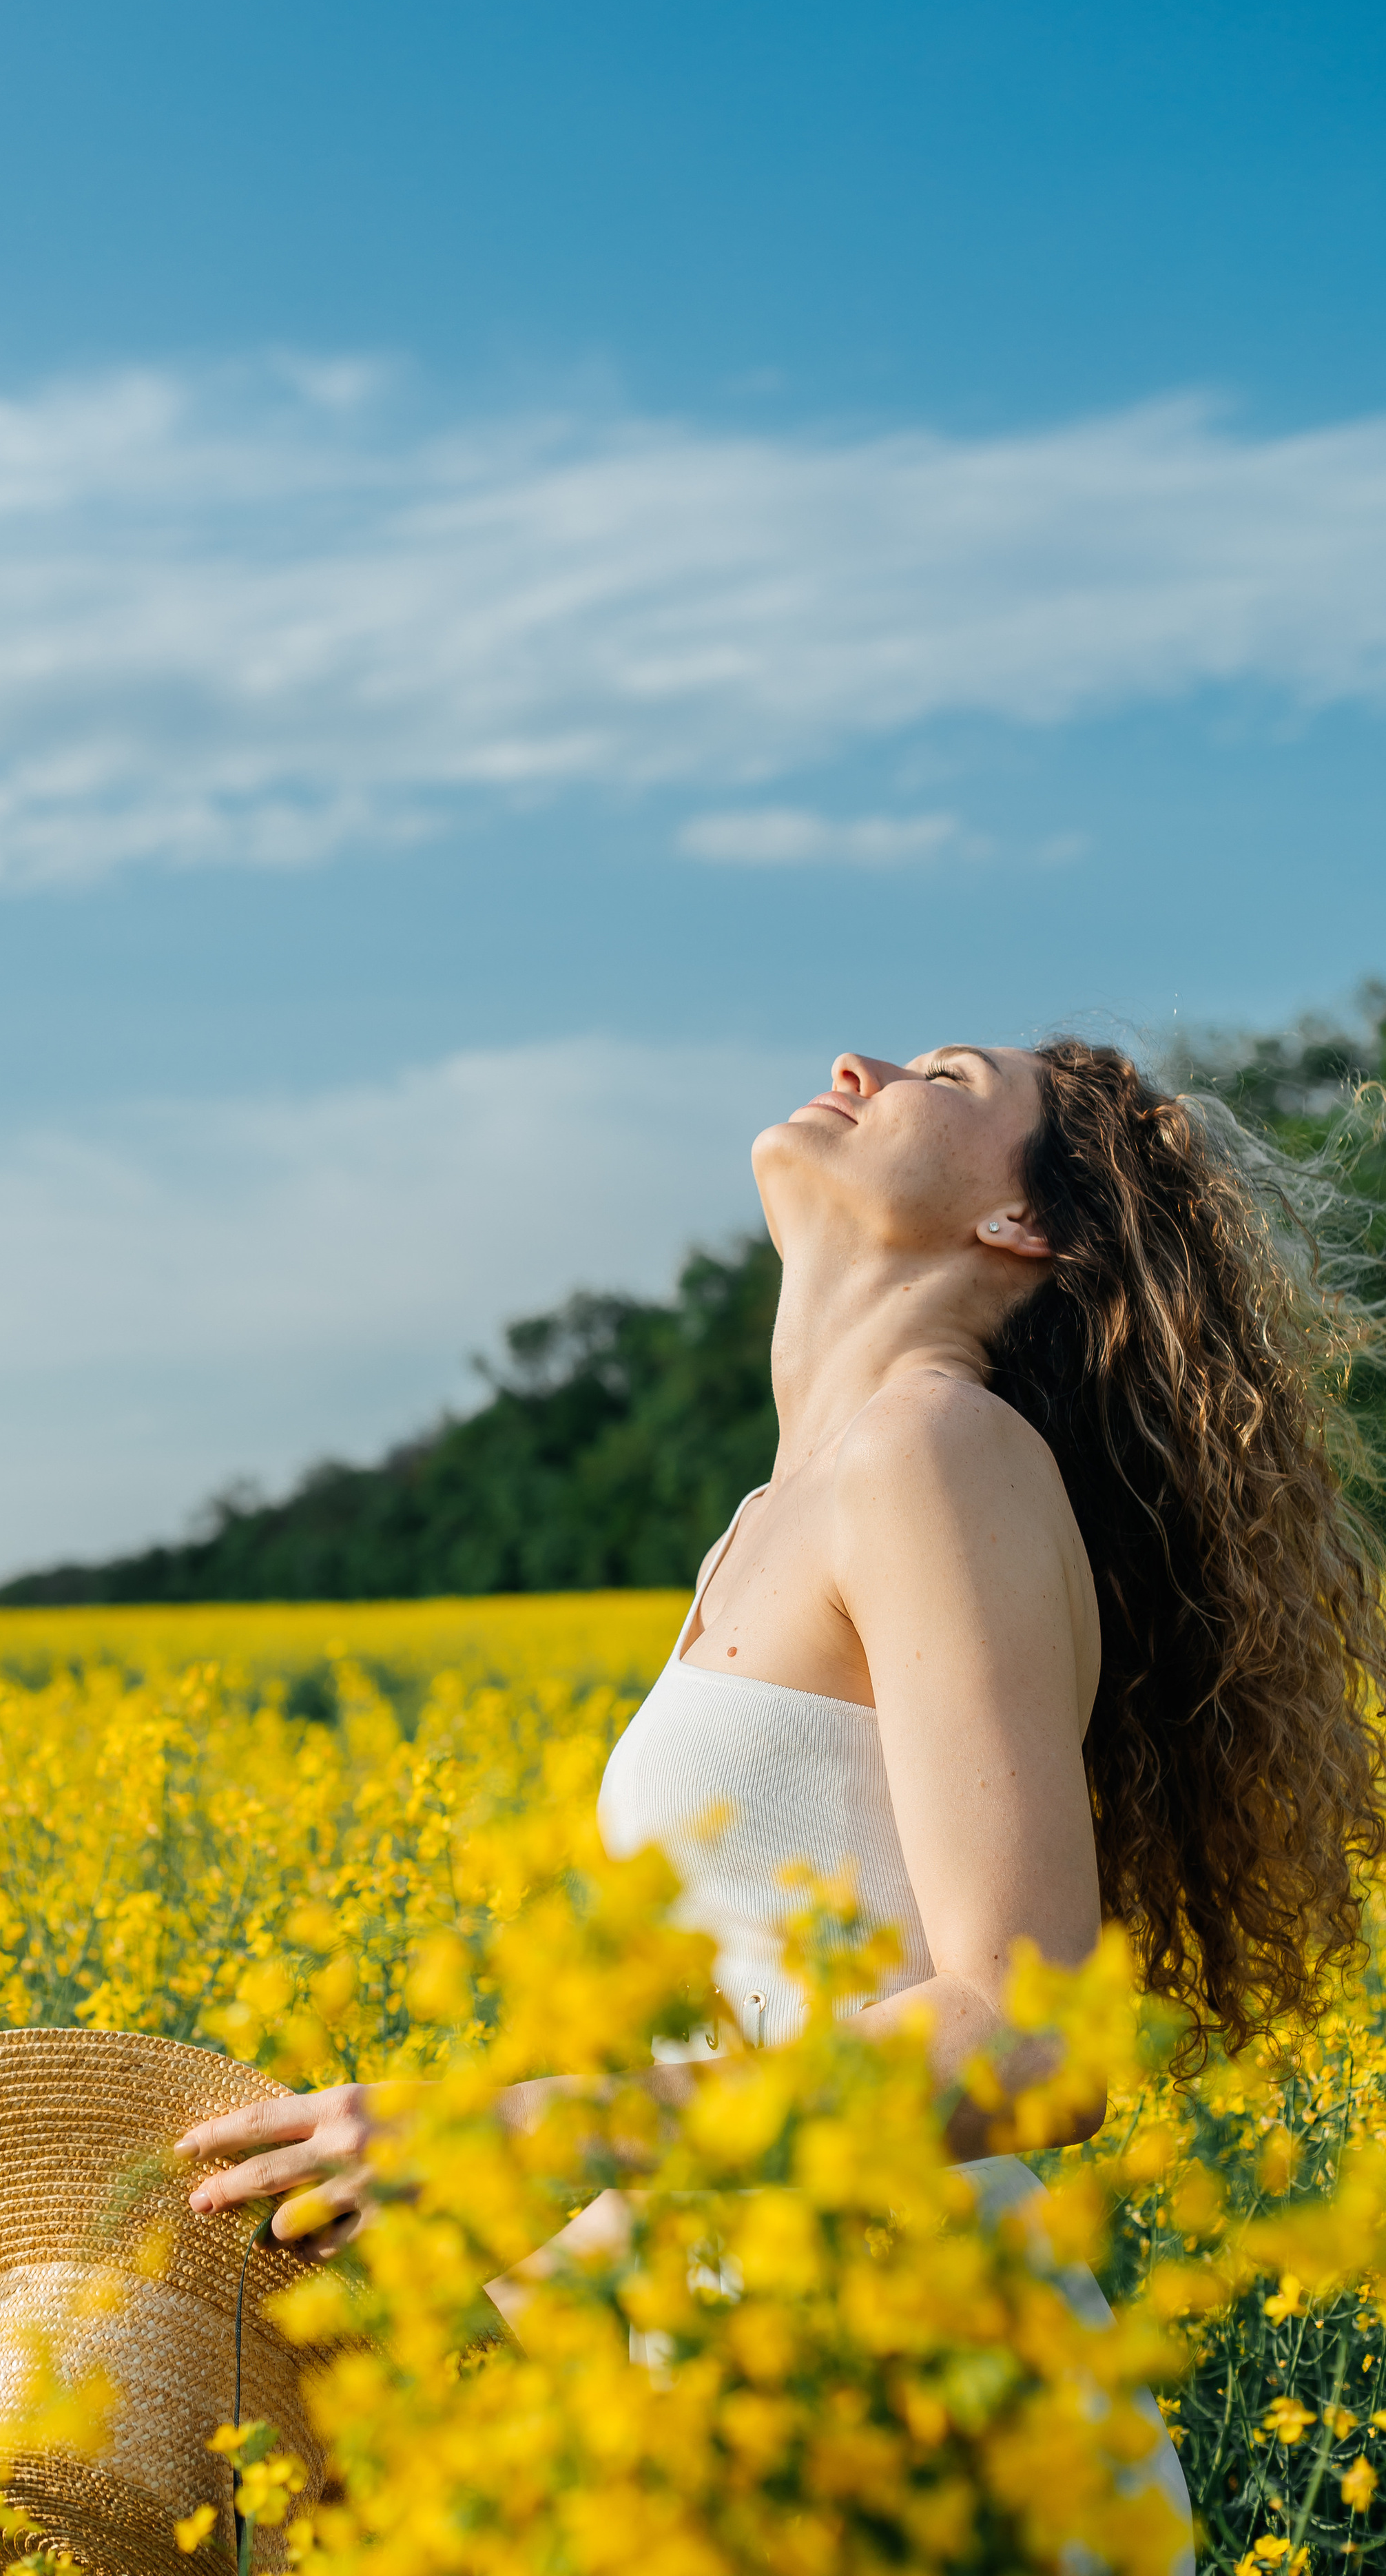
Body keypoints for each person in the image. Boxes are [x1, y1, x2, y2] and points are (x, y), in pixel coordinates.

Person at [176, 1038, 1386, 2529]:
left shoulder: (934, 1448)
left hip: (909, 2410)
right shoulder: (774, 1515)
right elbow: (731, 2045)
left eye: (943, 1075)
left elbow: (1028, 2033)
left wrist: (513, 2129)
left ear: (1022, 1228)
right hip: (744, 2399)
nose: (856, 1062)